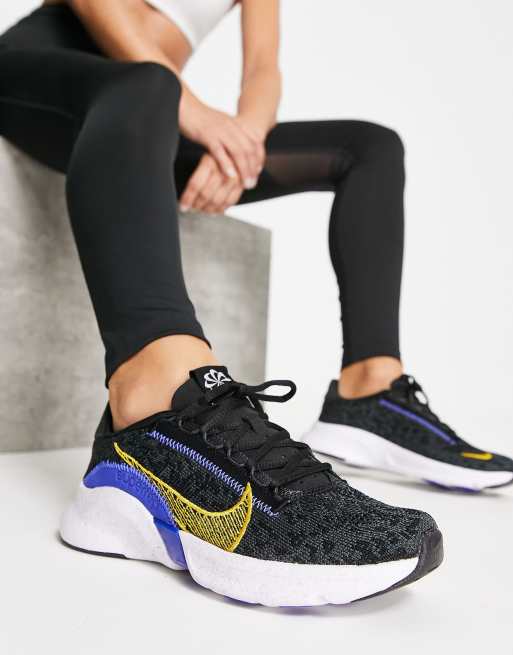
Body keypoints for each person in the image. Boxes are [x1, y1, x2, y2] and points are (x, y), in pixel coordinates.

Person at [0, 0, 509, 606]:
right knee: (147, 86)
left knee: (369, 148)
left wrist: (241, 143)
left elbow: (263, 68)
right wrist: (193, 109)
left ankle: (369, 393)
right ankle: (151, 407)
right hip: (40, 76)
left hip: (147, 115)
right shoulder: (149, 83)